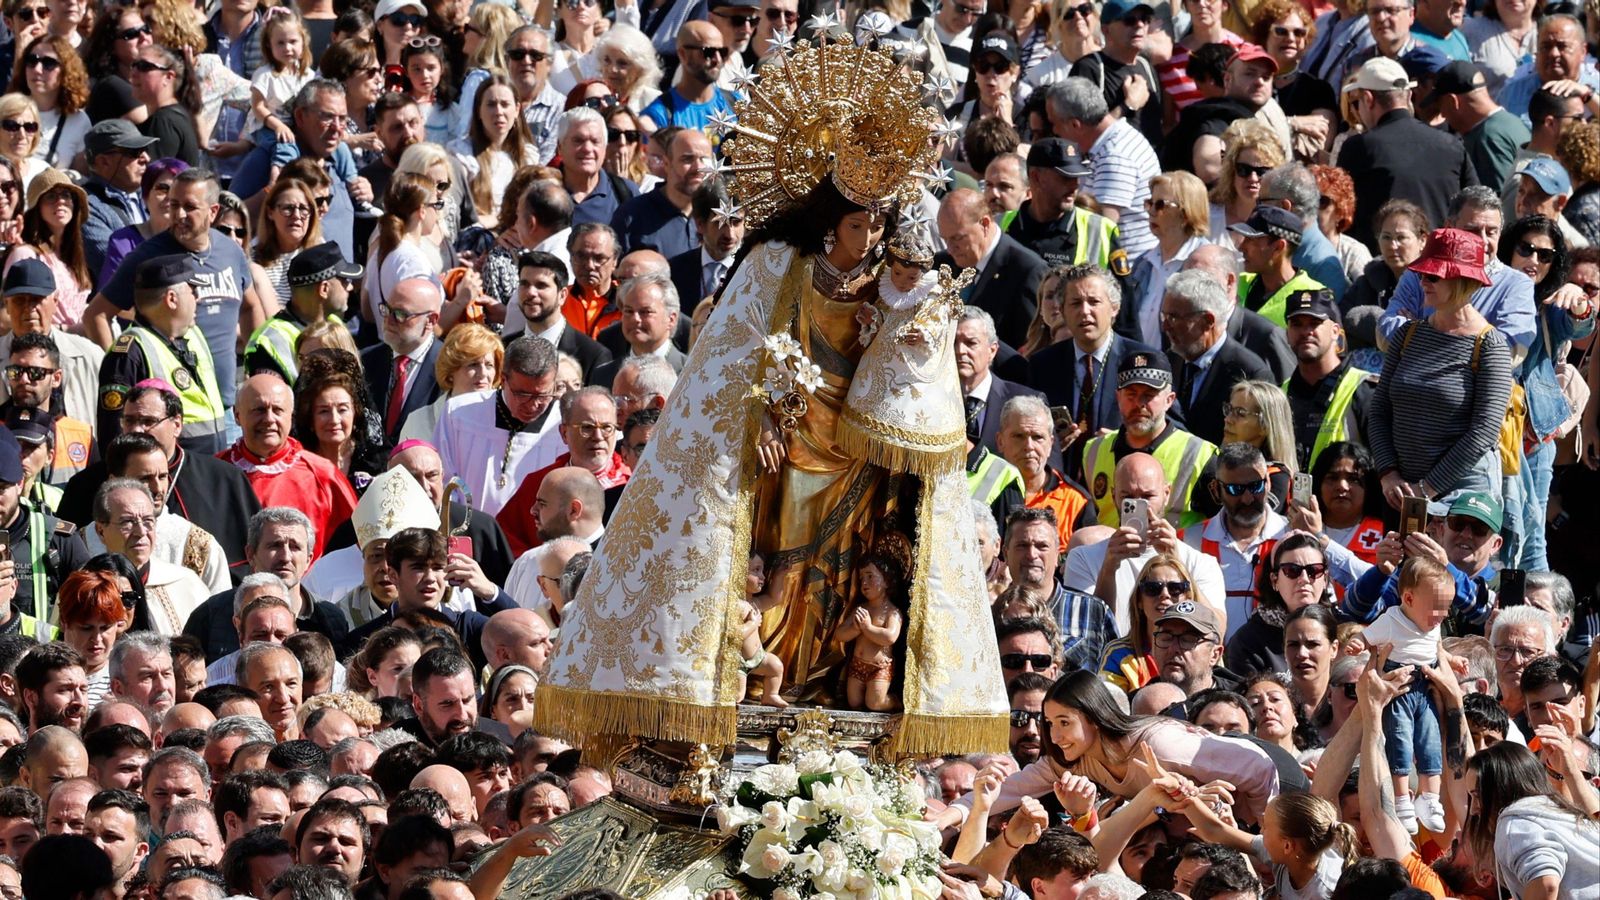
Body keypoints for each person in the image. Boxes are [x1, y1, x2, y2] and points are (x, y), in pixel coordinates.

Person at [84, 169, 261, 441]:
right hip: (171, 417)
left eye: (190, 207)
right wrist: (122, 367)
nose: (178, 214)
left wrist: (254, 368)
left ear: (213, 212)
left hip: (226, 407)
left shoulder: (230, 250)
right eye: (174, 204)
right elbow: (96, 314)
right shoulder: (148, 256)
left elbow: (249, 306)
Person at [1370, 228, 1512, 505]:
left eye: (1433, 275)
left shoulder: (1490, 347)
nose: (1423, 281)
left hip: (1462, 502)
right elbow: (1379, 411)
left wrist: (1427, 490)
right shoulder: (1407, 334)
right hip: (1400, 496)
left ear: (1463, 281)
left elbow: (1484, 432)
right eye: (1421, 273)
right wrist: (1388, 473)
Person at [1337, 58, 1479, 249]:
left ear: (1368, 99)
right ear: (1409, 95)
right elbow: (1477, 205)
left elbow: (1339, 214)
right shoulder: (1452, 145)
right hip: (1441, 269)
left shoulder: (1359, 148)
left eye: (1359, 101)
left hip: (1383, 271)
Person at [1463, 741, 1599, 899]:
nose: (1473, 809)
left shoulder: (1516, 822)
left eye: (1478, 795)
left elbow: (1546, 883)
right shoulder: (1550, 810)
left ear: (1501, 788)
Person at [1046, 77, 1161, 256]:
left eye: (1054, 123)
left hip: (1123, 272)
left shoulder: (1114, 156)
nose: (1054, 131)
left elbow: (1099, 229)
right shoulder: (1112, 139)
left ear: (1075, 124)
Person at [1163, 268, 1273, 445]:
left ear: (1207, 321)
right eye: (1164, 316)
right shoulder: (1170, 360)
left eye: (1174, 318)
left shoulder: (1249, 372)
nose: (1165, 326)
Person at [935, 188, 1046, 347]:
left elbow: (1028, 346)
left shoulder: (1027, 271)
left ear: (985, 224)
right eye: (945, 239)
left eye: (957, 238)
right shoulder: (941, 264)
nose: (950, 248)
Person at [242, 242, 361, 385]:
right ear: (324, 289)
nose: (350, 287)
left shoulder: (334, 322)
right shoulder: (268, 341)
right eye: (344, 280)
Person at [1283, 289, 1373, 472]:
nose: (1306, 331)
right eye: (1297, 324)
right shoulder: (1280, 393)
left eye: (1315, 323)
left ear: (1335, 332)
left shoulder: (1363, 389)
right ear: (1287, 333)